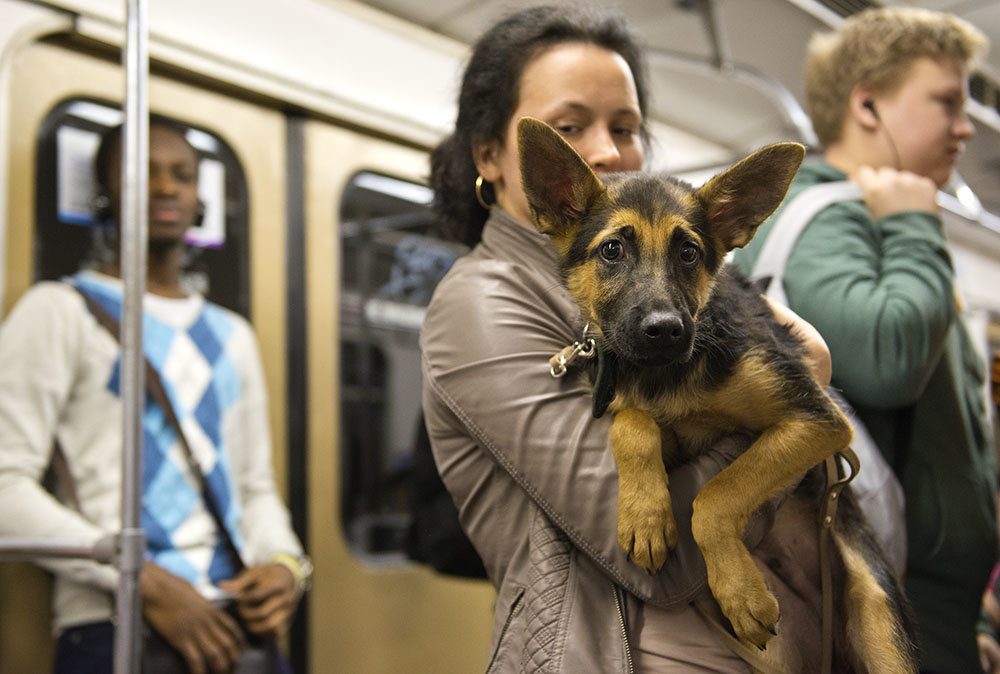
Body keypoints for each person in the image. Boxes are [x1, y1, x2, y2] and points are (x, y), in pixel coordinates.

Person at [422, 6, 839, 672]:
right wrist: (791, 390)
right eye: (569, 126)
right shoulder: (483, 304)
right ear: (490, 156)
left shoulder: (673, 279)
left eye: (625, 127)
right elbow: (655, 561)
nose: (608, 152)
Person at [731, 8, 997, 673]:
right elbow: (887, 361)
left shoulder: (865, 220)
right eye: (945, 102)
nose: (965, 126)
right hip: (882, 597)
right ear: (868, 104)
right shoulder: (830, 217)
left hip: (923, 603)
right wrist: (913, 223)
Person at [0, 118, 310, 674]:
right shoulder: (60, 312)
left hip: (234, 623)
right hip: (111, 624)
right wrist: (142, 579)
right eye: (143, 171)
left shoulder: (232, 335)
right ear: (105, 194)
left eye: (183, 176)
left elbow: (254, 486)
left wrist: (286, 564)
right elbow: (4, 487)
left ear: (199, 201)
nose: (166, 187)